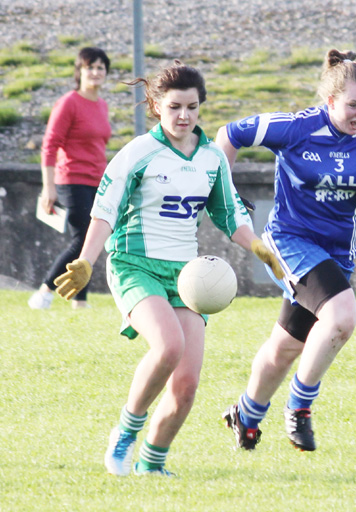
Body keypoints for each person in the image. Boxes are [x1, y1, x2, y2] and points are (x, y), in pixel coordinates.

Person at [53, 61, 283, 477]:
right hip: (133, 265)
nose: (184, 116)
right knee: (168, 346)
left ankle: (151, 464)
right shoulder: (138, 153)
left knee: (186, 384)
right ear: (156, 106)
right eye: (174, 106)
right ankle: (126, 430)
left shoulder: (212, 158)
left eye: (192, 107)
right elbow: (104, 212)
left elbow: (230, 215)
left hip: (185, 277)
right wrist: (87, 260)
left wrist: (258, 247)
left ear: (200, 108)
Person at [215, 48, 356, 452]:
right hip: (288, 240)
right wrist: (225, 192)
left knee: (287, 346)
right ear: (330, 100)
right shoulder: (295, 127)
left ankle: (246, 416)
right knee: (341, 316)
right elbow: (229, 135)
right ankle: (299, 408)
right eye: (353, 104)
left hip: (338, 253)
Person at [28, 47, 111, 310]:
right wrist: (48, 187)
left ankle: (81, 302)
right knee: (85, 236)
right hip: (70, 179)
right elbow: (50, 144)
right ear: (80, 71)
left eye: (100, 67)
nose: (96, 72)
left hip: (97, 181)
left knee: (90, 238)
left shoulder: (102, 105)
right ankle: (44, 291)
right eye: (90, 67)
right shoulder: (69, 102)